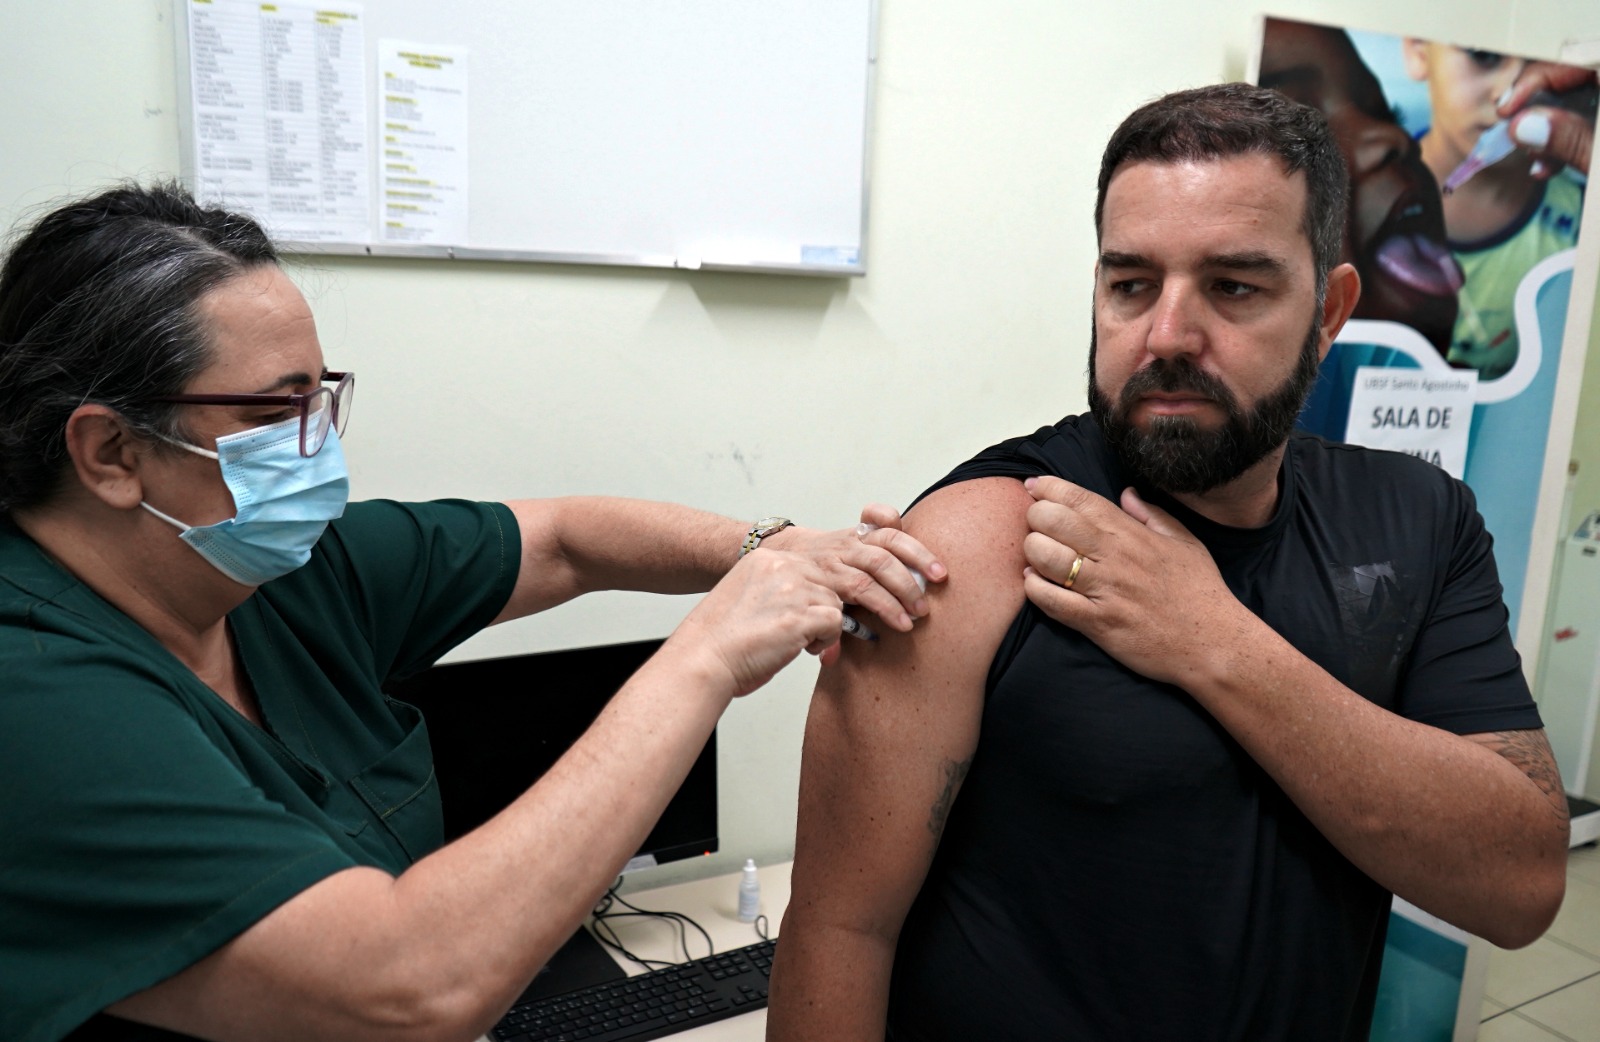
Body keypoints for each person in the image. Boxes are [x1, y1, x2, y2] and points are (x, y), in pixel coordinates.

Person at [0, 182, 945, 1042]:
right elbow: (405, 985)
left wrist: (768, 546)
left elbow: (563, 540)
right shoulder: (37, 698)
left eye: (322, 399)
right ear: (111, 453)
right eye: (274, 414)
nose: (317, 447)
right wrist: (707, 656)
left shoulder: (271, 579)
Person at [767, 83, 1568, 1041]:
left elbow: (1522, 886)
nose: (1167, 336)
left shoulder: (1419, 520)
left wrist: (1213, 640)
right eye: (1131, 284)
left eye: (1233, 287)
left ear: (1330, 311)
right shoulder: (977, 543)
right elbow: (840, 932)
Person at [1401, 39, 1594, 379]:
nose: (1509, 94)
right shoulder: (1355, 208)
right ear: (1418, 49)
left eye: (1547, 61)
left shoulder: (1587, 222)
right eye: (1483, 53)